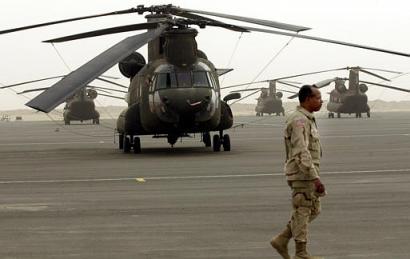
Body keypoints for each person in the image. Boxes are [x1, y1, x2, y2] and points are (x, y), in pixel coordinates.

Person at [270, 85, 326, 259]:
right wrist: (314, 177)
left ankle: (283, 238)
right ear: (307, 99)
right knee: (303, 209)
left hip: (307, 173)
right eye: (317, 97)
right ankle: (301, 253)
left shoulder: (307, 118)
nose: (321, 100)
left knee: (314, 209)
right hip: (303, 174)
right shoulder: (298, 120)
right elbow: (302, 151)